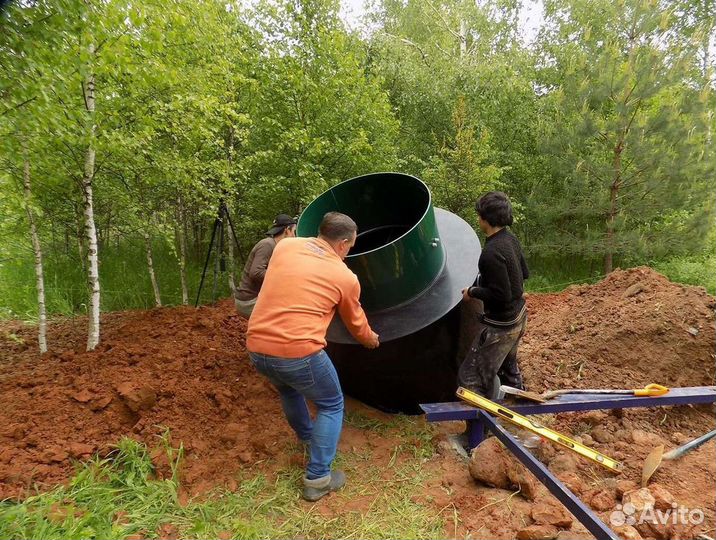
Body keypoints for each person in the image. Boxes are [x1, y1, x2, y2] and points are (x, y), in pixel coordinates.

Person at [246, 211, 380, 501]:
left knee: (289, 391)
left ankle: (309, 437)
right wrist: (371, 341)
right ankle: (318, 478)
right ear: (343, 244)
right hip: (298, 351)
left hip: (257, 346)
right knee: (331, 403)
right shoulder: (345, 276)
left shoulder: (285, 247)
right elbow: (356, 324)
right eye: (351, 246)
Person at [458, 191, 529, 399]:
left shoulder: (491, 252)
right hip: (519, 316)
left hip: (502, 326)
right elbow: (523, 274)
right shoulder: (510, 239)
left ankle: (475, 430)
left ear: (486, 220)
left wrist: (473, 291)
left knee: (470, 379)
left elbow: (501, 295)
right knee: (508, 368)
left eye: (479, 215)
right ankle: (518, 411)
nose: (478, 218)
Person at [235, 214, 297, 318]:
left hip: (257, 298)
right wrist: (282, 278)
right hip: (249, 301)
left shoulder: (276, 246)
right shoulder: (267, 245)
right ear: (287, 230)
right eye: (294, 232)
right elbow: (256, 273)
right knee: (288, 317)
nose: (295, 236)